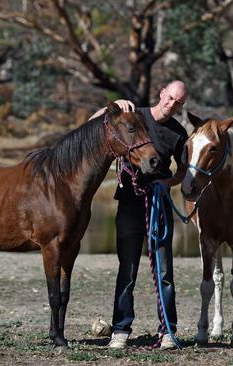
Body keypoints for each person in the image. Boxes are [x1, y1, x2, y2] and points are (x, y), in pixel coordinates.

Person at [90, 80, 188, 350]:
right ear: (162, 93)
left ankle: (168, 330)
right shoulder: (135, 116)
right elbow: (93, 123)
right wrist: (111, 108)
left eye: (178, 102)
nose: (172, 105)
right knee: (127, 269)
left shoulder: (178, 134)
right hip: (129, 203)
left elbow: (182, 169)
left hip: (158, 204)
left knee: (164, 271)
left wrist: (166, 184)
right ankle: (121, 330)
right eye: (170, 98)